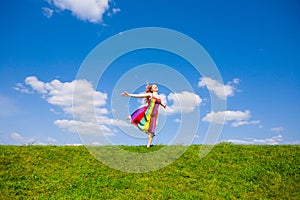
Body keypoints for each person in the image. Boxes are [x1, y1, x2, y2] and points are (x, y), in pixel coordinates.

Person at [122, 84, 166, 148]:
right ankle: (130, 118)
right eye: (154, 86)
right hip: (148, 112)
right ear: (151, 89)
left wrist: (164, 105)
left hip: (154, 115)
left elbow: (161, 103)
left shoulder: (159, 97)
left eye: (156, 86)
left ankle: (148, 147)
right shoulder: (151, 95)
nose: (156, 86)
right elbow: (140, 96)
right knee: (138, 118)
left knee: (152, 132)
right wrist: (129, 95)